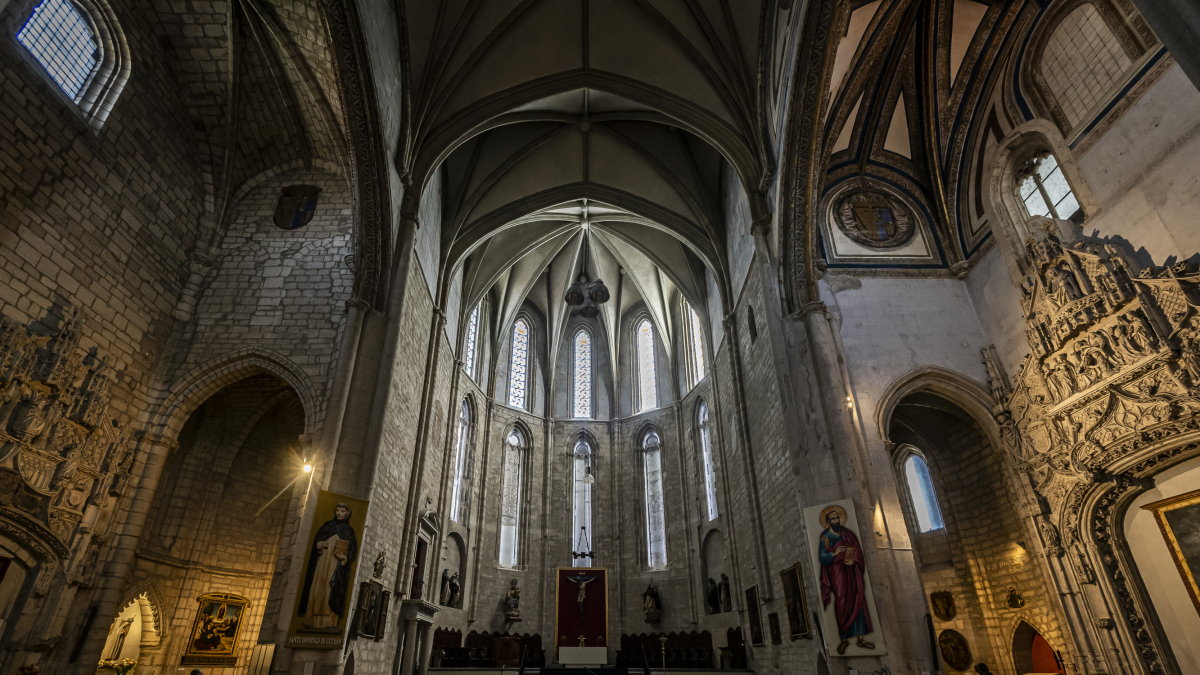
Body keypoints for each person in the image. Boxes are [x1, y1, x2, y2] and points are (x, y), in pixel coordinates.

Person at [817, 505, 875, 654]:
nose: (836, 520)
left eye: (837, 518)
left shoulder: (848, 533)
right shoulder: (825, 537)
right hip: (837, 573)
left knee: (858, 600)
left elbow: (857, 550)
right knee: (842, 603)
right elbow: (822, 558)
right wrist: (835, 553)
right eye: (833, 519)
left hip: (851, 570)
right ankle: (844, 640)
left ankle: (861, 639)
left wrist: (853, 559)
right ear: (828, 521)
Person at [299, 502, 358, 629]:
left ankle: (328, 622)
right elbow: (317, 542)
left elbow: (352, 551)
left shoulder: (348, 531)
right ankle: (311, 620)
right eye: (338, 510)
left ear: (347, 514)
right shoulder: (327, 526)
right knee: (318, 589)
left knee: (330, 591)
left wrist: (345, 558)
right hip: (322, 564)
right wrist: (318, 546)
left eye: (342, 511)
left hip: (336, 566)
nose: (339, 513)